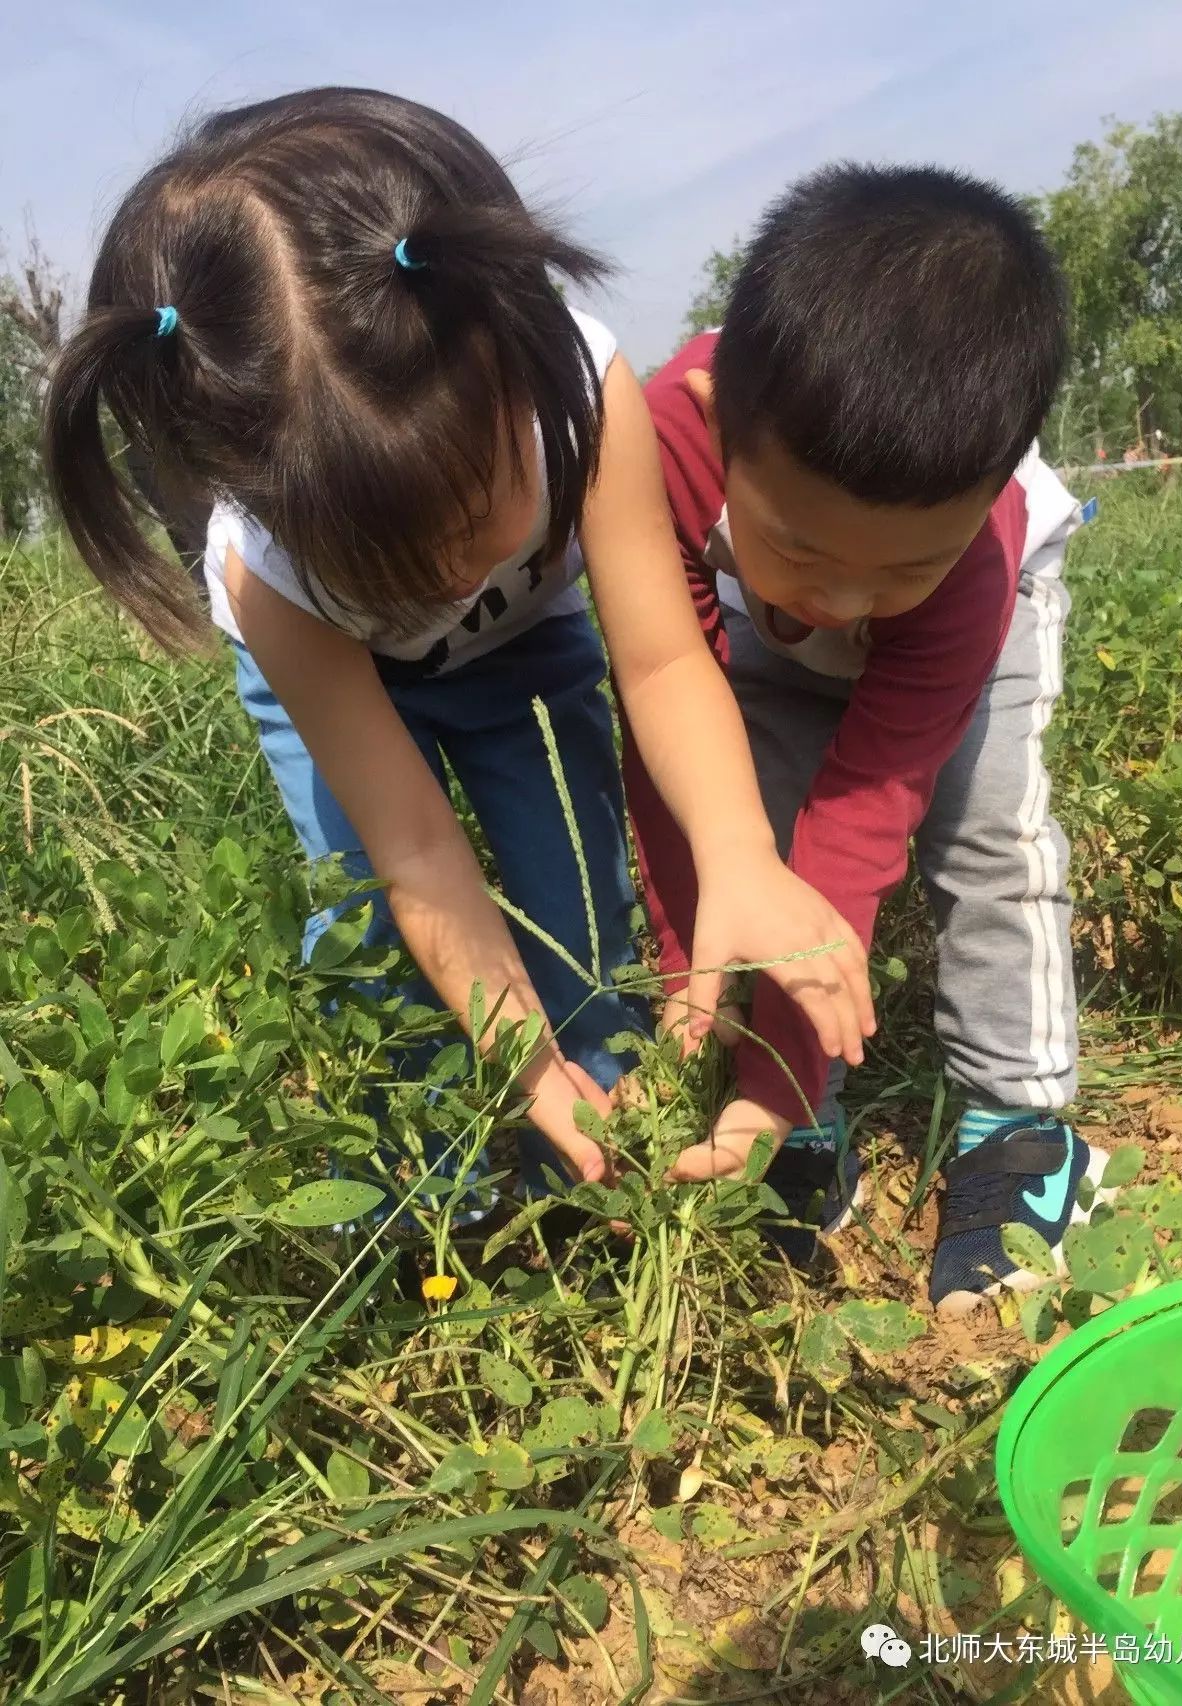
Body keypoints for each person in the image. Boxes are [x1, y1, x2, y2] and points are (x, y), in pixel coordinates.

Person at [43, 88, 875, 1211]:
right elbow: (420, 851)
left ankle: (607, 1101)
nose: (444, 578)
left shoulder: (583, 394)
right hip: (339, 688)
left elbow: (664, 662)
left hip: (527, 654)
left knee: (576, 888)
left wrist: (736, 853)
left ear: (517, 361)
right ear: (255, 496)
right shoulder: (270, 576)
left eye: (473, 504)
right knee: (370, 928)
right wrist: (514, 1058)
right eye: (381, 558)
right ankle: (419, 1168)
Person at [626, 164, 1109, 1308]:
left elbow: (861, 818)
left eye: (892, 567)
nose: (841, 605)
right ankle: (799, 1128)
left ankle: (1021, 1123)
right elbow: (671, 755)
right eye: (802, 547)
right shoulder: (665, 450)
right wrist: (693, 982)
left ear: (996, 483)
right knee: (741, 798)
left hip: (976, 622)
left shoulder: (971, 554)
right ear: (716, 427)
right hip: (760, 610)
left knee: (984, 833)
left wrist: (771, 1072)